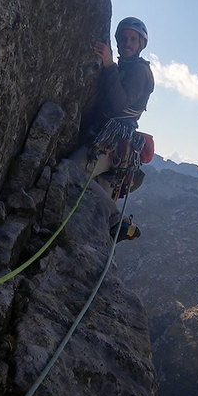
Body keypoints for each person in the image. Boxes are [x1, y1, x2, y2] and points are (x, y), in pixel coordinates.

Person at [71, 17, 154, 241]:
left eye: (133, 39)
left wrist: (108, 66)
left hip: (115, 140)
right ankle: (112, 223)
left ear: (140, 45)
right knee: (92, 195)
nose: (127, 43)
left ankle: (119, 220)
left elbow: (120, 103)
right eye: (124, 38)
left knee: (72, 170)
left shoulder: (140, 71)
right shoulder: (126, 68)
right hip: (113, 143)